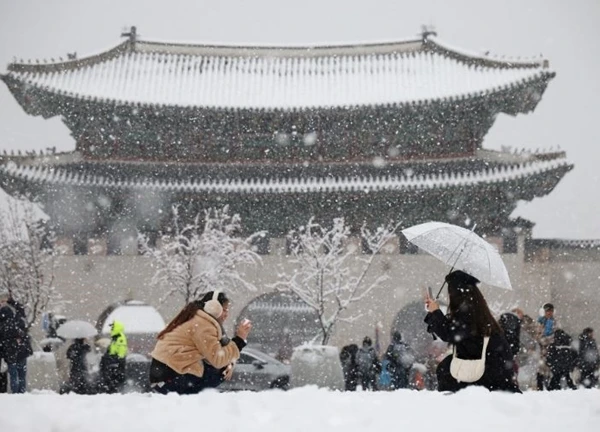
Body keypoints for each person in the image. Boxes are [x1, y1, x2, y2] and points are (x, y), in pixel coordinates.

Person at [424, 270, 520, 393]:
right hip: (495, 366)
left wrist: (436, 312)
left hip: (489, 370)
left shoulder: (467, 312)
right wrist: (435, 311)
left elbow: (449, 333)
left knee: (446, 370)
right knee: (447, 368)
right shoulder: (475, 309)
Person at [149, 290, 251, 395]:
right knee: (220, 369)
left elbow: (216, 353)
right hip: (170, 378)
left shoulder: (196, 318)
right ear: (213, 308)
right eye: (224, 310)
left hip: (163, 376)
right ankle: (191, 396)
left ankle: (191, 396)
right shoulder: (203, 325)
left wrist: (229, 361)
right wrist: (239, 339)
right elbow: (217, 359)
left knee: (220, 366)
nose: (226, 314)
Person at [0, 290, 33, 393]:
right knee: (22, 375)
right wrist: (11, 301)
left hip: (10, 353)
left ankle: (15, 393)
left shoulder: (2, 326)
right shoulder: (18, 322)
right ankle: (21, 393)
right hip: (22, 351)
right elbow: (21, 310)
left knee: (13, 375)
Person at [98, 320, 128, 393]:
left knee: (114, 378)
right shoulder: (115, 338)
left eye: (112, 328)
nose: (111, 329)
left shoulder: (120, 338)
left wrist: (116, 358)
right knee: (110, 377)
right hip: (113, 361)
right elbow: (112, 350)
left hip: (116, 362)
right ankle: (110, 389)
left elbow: (121, 351)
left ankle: (113, 390)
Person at [536, 303, 558, 390]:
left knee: (550, 368)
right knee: (541, 368)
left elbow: (557, 335)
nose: (549, 313)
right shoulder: (541, 321)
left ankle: (549, 386)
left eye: (551, 311)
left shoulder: (555, 322)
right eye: (547, 311)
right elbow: (537, 335)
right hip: (541, 349)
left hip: (552, 349)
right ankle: (540, 386)